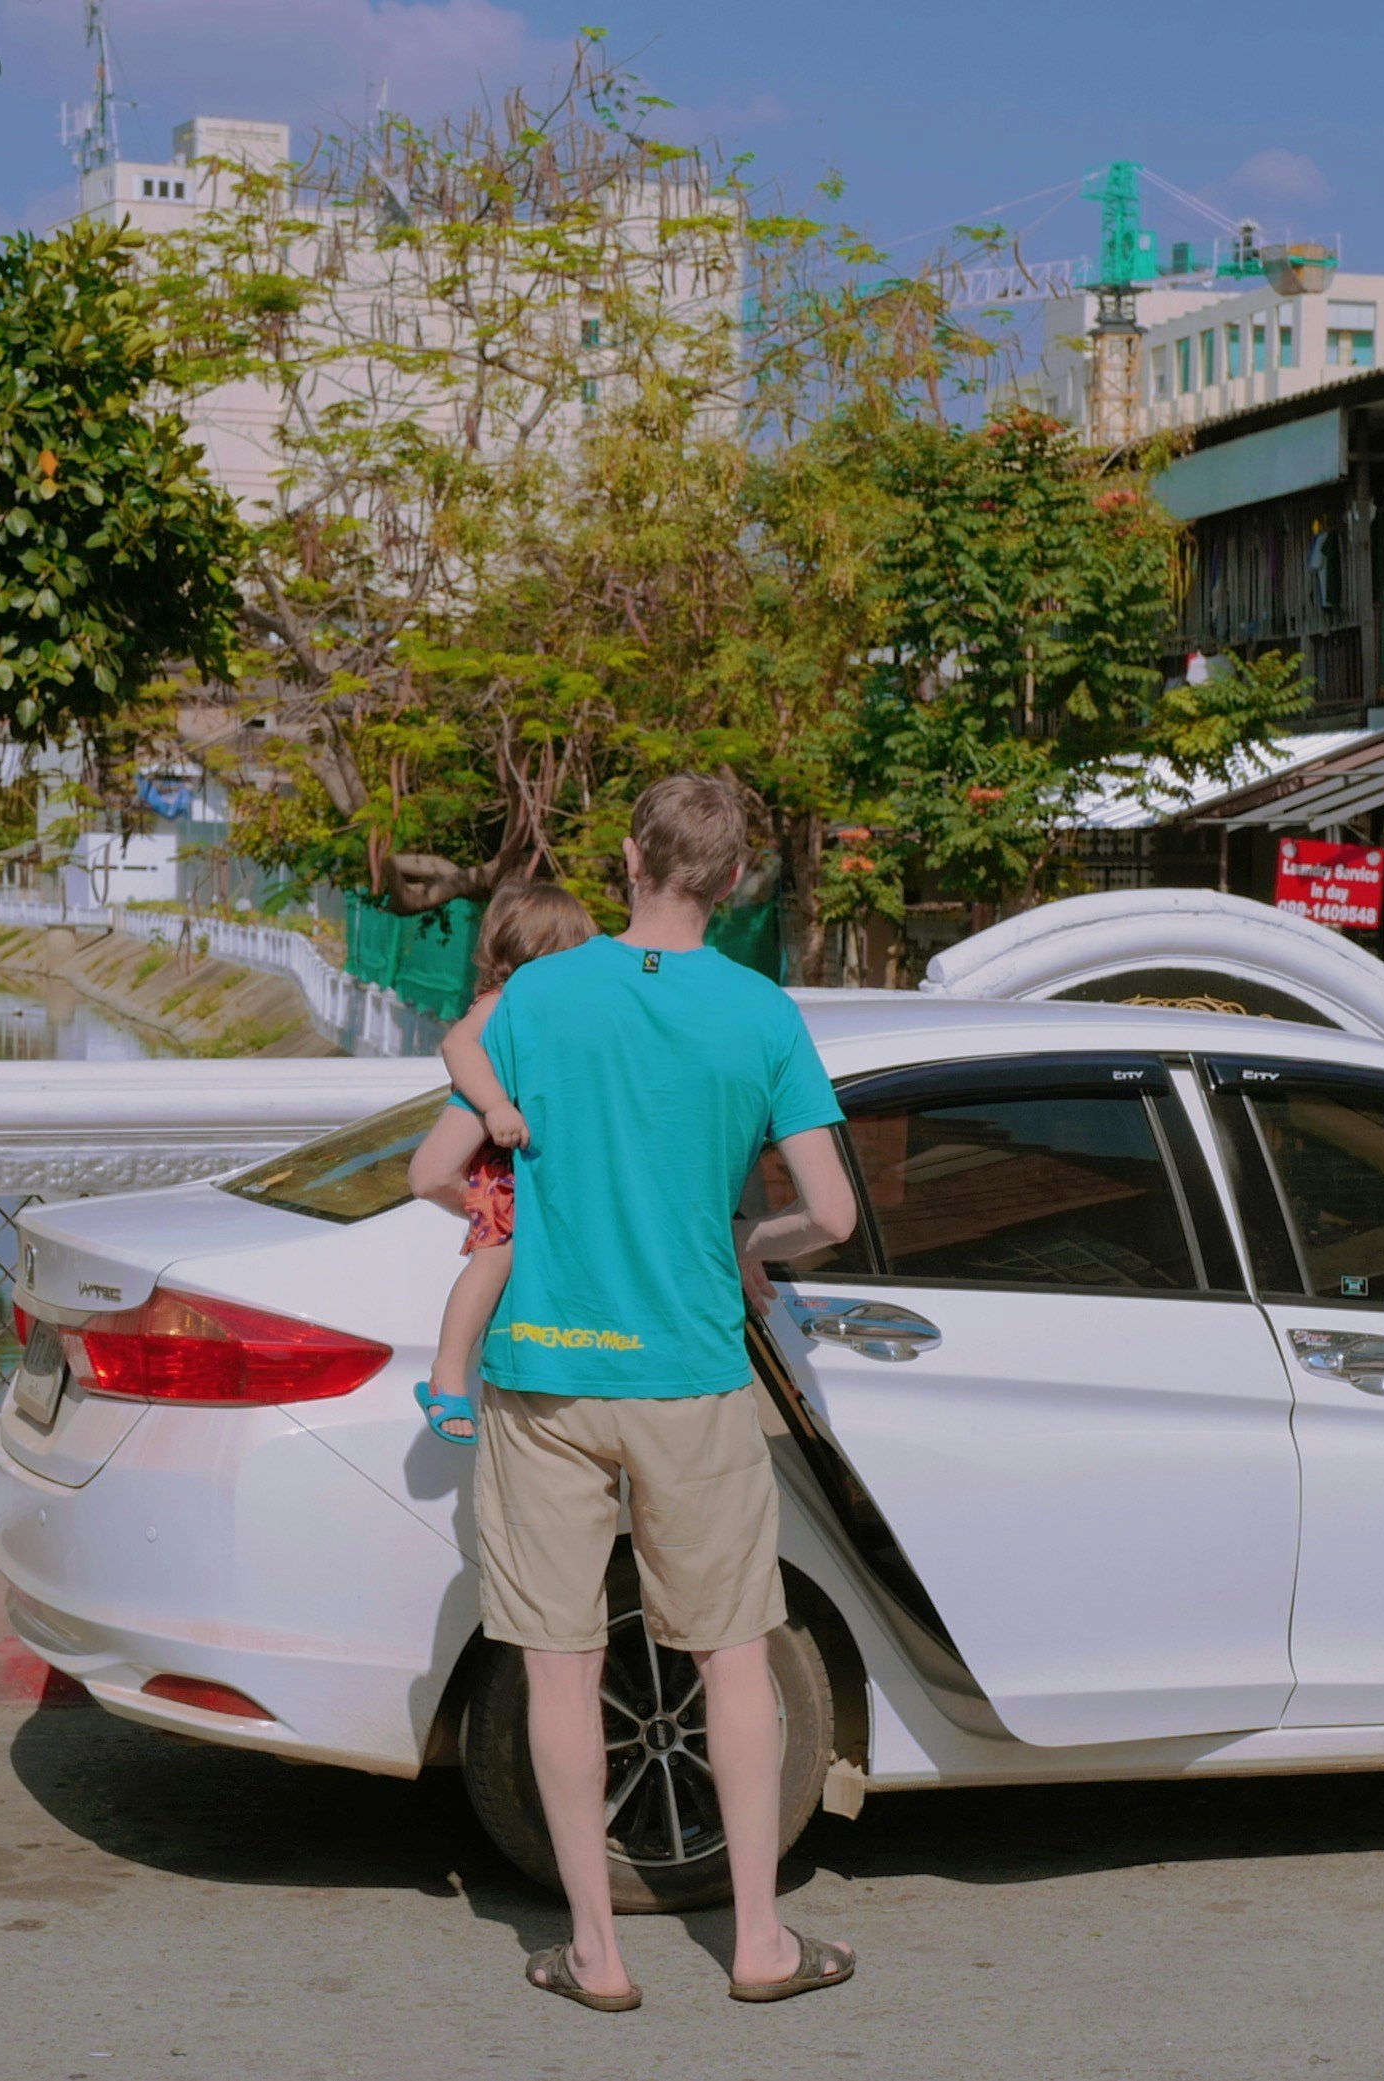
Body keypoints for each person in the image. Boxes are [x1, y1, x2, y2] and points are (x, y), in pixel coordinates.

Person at [406, 775, 860, 2013]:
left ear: (627, 856)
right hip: (691, 1375)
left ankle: (598, 1954)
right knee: (732, 1658)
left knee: (557, 1665)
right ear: (732, 881)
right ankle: (760, 1941)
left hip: (545, 1372)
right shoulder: (762, 1013)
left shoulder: (538, 996)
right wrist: (742, 1240)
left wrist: (528, 1213)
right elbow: (830, 1211)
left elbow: (437, 1168)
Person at [405, 881, 597, 1445]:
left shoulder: (531, 1008)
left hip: (509, 1169)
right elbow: (456, 1047)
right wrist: (494, 1107)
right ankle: (446, 1377)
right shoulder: (500, 1005)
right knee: (495, 1259)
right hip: (499, 1166)